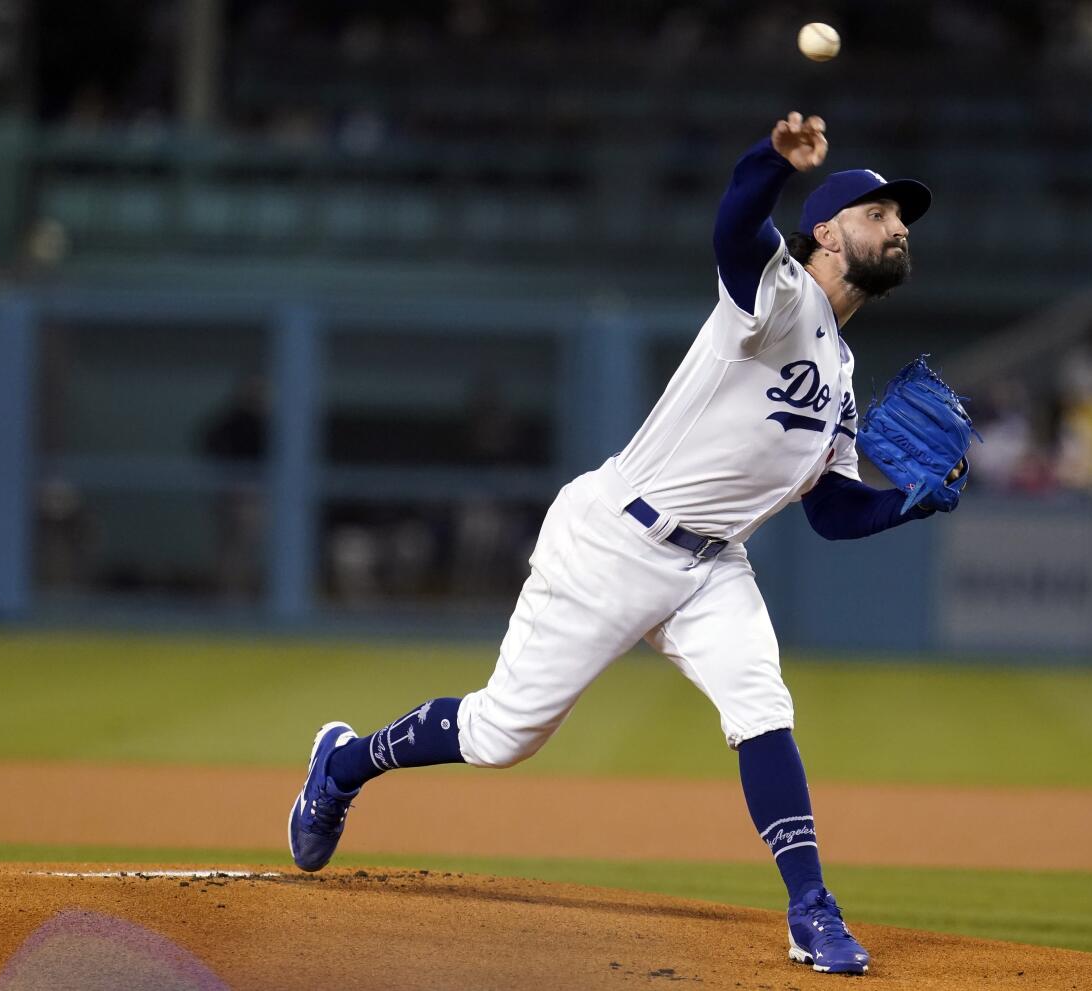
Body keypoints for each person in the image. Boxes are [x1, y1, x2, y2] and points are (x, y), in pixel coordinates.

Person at [289, 112, 959, 976]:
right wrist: (769, 161)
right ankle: (344, 762)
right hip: (614, 538)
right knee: (502, 734)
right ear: (827, 230)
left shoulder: (841, 380)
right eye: (880, 214)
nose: (898, 226)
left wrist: (907, 503)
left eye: (902, 218)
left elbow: (830, 509)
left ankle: (811, 909)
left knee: (761, 705)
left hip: (712, 564)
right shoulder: (778, 296)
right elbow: (734, 227)